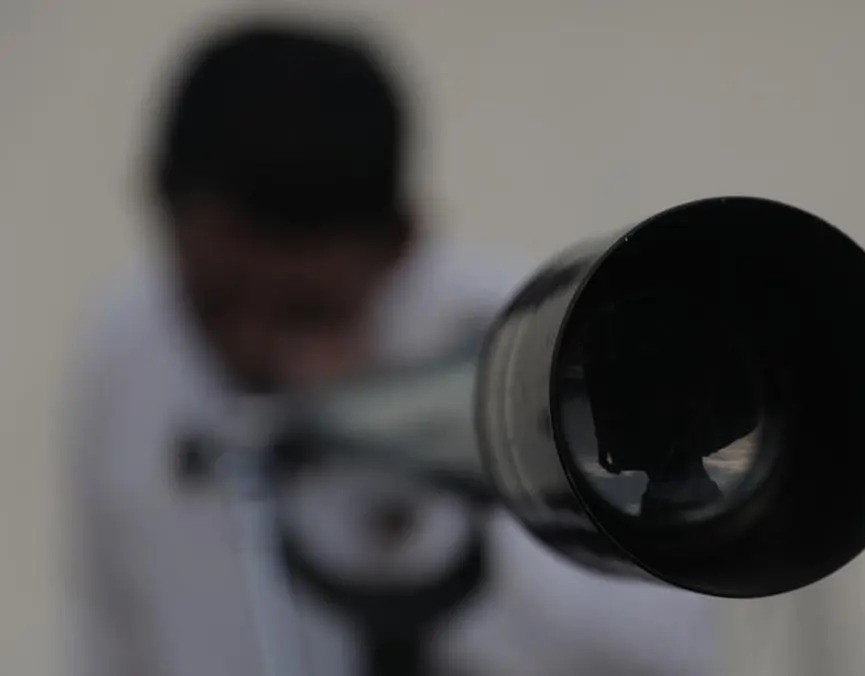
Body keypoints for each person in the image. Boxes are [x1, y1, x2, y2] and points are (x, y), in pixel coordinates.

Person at [64, 18, 715, 676]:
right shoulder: (124, 351)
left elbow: (662, 648)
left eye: (306, 311)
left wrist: (405, 500)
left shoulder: (541, 345)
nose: (252, 346)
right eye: (214, 302)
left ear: (401, 244)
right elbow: (113, 635)